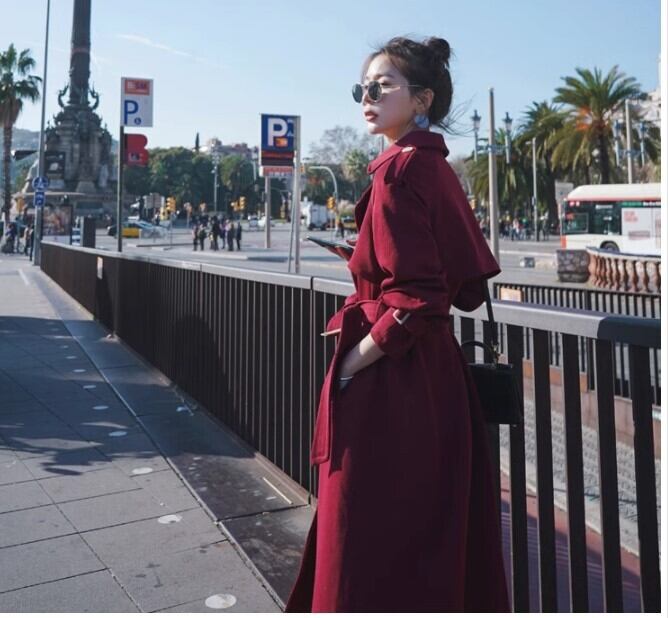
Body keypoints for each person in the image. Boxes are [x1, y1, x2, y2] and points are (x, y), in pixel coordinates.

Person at [284, 36, 509, 613]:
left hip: (396, 383)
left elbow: (417, 300)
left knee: (364, 541)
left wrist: (351, 364)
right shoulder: (433, 165)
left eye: (383, 86)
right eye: (362, 88)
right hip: (437, 380)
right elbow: (455, 281)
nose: (368, 96)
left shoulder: (397, 172)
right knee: (426, 538)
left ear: (422, 99)